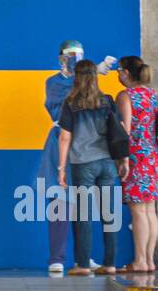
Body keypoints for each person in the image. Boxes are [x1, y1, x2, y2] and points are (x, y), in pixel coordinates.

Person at [37, 41, 118, 275]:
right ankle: (57, 258)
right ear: (61, 58)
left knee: (84, 205)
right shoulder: (53, 83)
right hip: (60, 145)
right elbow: (65, 104)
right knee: (60, 201)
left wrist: (92, 77)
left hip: (86, 150)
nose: (74, 59)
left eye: (79, 56)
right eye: (71, 55)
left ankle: (83, 258)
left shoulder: (89, 88)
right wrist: (92, 76)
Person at [56, 59, 122, 276]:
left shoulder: (71, 103)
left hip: (83, 164)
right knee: (108, 214)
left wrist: (61, 168)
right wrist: (124, 161)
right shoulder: (107, 101)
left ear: (76, 77)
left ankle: (83, 264)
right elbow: (118, 132)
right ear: (95, 77)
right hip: (107, 163)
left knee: (83, 215)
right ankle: (110, 264)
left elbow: (65, 137)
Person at [115, 55, 158, 274]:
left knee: (138, 211)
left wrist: (123, 160)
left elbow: (125, 130)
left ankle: (139, 261)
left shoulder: (126, 96)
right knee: (149, 210)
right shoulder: (154, 95)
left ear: (126, 72)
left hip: (137, 157)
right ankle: (149, 261)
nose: (117, 74)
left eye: (119, 70)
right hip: (155, 157)